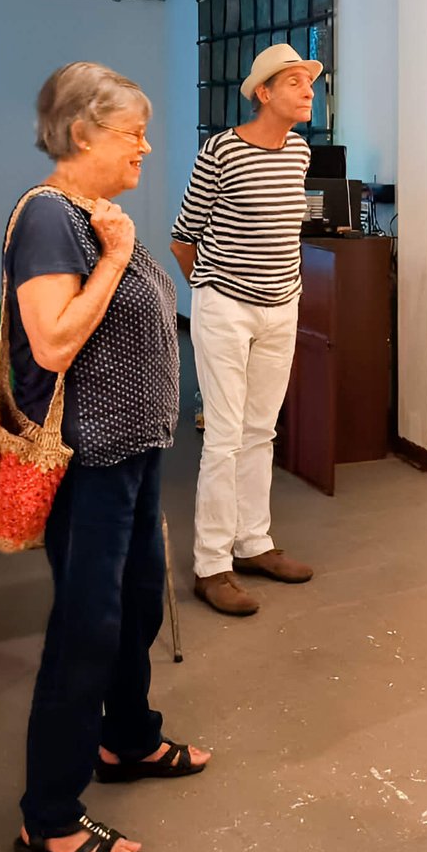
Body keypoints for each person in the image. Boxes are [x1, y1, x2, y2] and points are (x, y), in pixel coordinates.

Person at [9, 63, 209, 852]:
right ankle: (48, 817)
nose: (146, 148)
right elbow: (53, 341)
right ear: (82, 132)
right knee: (85, 629)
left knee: (133, 611)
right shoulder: (49, 219)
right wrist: (120, 260)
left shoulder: (100, 213)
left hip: (132, 453)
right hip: (89, 461)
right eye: (133, 134)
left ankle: (128, 740)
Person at [170, 43, 320, 616]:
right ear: (264, 93)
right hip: (225, 306)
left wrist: (277, 290)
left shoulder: (300, 152)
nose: (308, 92)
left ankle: (254, 542)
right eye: (295, 84)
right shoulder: (223, 151)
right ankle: (212, 564)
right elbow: (184, 235)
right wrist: (209, 292)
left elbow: (287, 231)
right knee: (226, 436)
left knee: (262, 430)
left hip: (284, 306)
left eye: (310, 83)